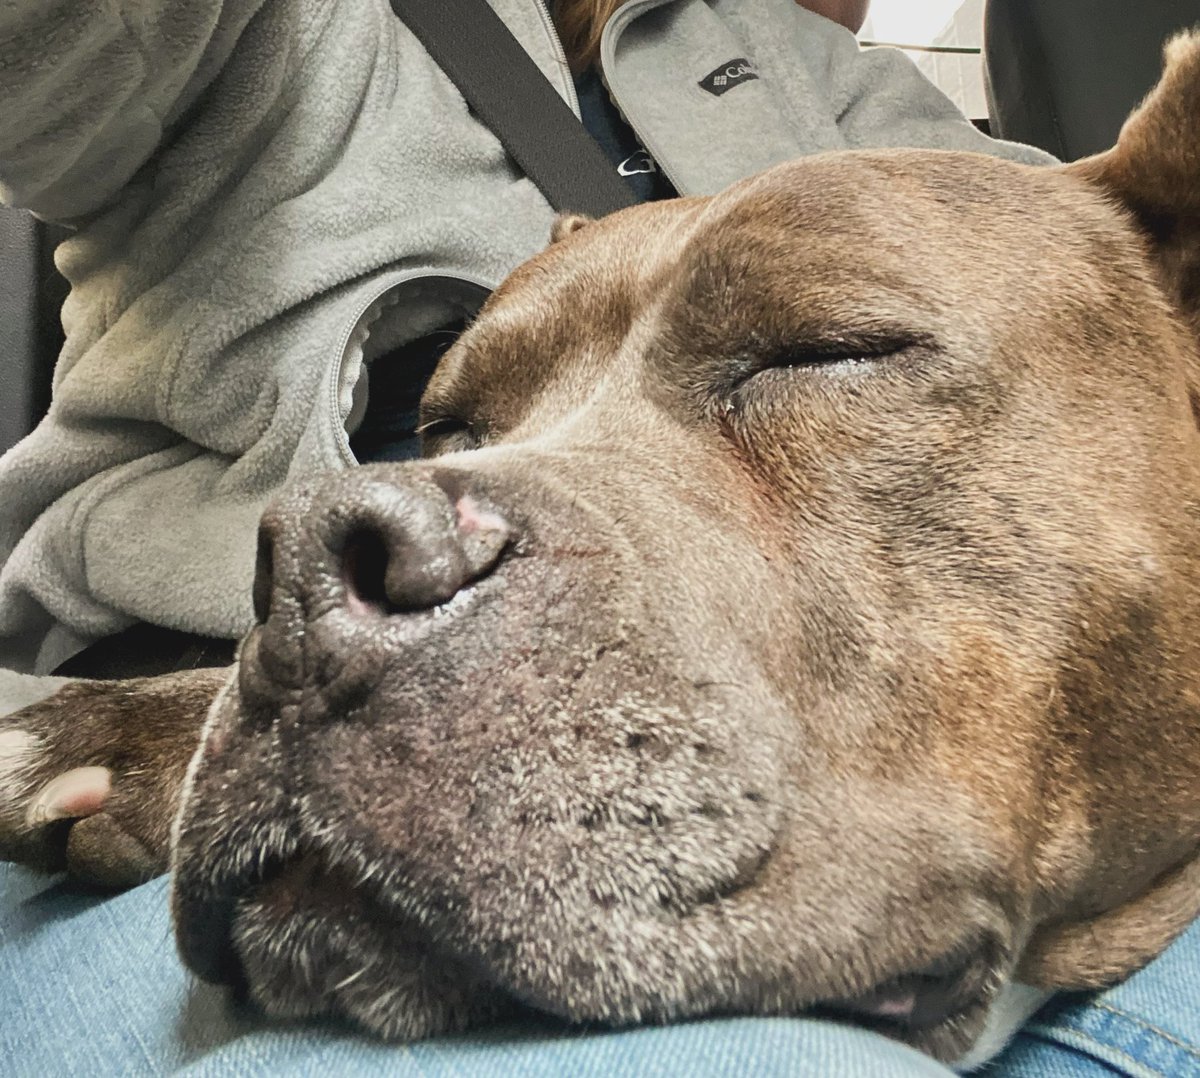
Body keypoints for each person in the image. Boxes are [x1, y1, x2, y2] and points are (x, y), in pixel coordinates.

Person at [8, 2, 1198, 1075]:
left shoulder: (823, 69)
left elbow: (1076, 326)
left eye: (820, 355)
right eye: (456, 426)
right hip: (171, 752)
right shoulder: (281, 27)